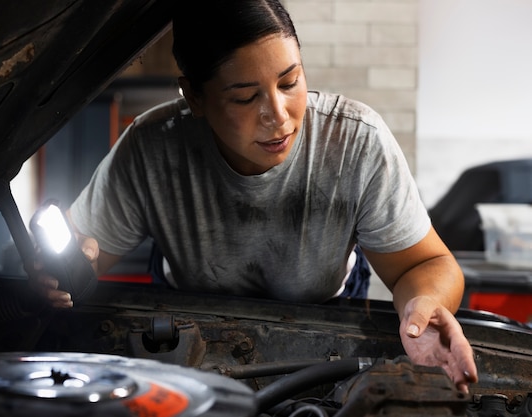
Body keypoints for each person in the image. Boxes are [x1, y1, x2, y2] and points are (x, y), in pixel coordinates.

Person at [33, 0, 478, 393]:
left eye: (289, 82)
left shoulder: (355, 144)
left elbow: (427, 265)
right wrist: (61, 272)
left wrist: (424, 305)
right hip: (184, 325)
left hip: (326, 316)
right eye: (246, 97)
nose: (278, 116)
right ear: (195, 97)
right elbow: (77, 259)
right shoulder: (152, 148)